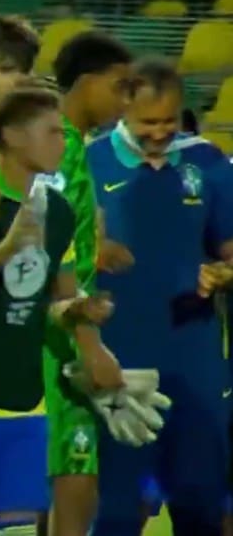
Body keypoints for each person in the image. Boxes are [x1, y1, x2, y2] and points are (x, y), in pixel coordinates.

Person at [0, 24, 134, 536]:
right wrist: (1, 247)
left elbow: (62, 278)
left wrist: (87, 332)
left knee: (34, 507)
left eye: (23, 72)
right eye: (4, 70)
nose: (15, 82)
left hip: (30, 383)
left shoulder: (56, 197)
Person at [88, 58, 233, 536]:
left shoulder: (207, 162)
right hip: (119, 358)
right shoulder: (89, 161)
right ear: (123, 108)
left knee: (201, 502)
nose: (159, 133)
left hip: (194, 358)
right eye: (148, 122)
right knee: (116, 509)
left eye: (168, 121)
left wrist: (222, 272)